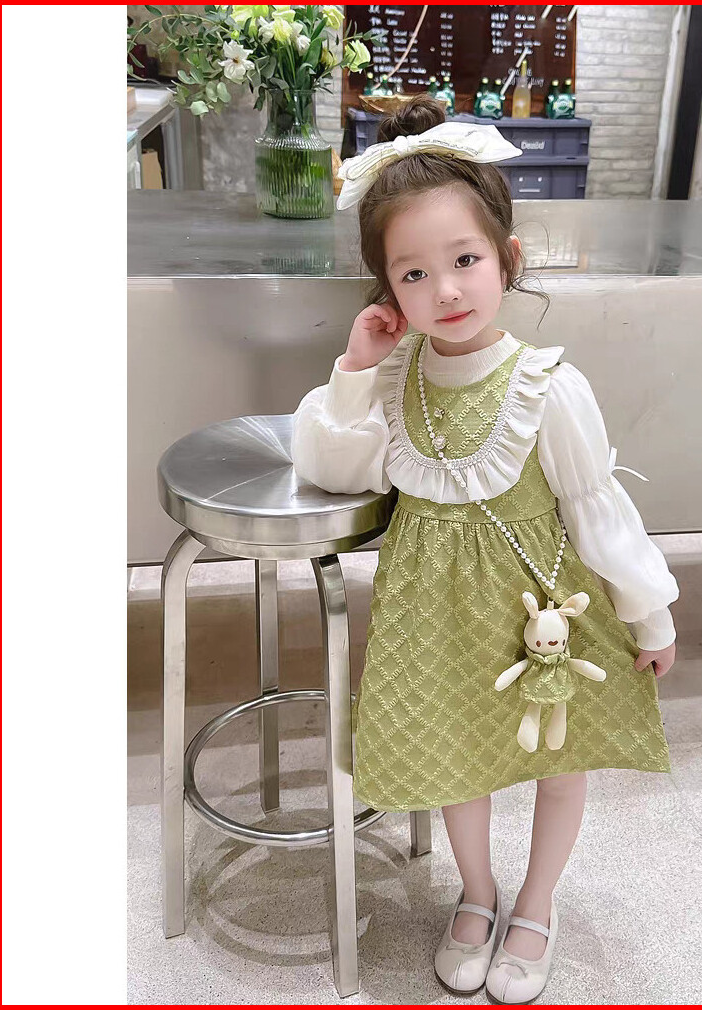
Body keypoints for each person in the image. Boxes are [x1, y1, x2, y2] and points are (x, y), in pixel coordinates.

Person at [291, 95, 679, 1004]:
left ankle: (536, 904)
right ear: (388, 291)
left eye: (464, 260)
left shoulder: (549, 385)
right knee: (457, 756)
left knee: (559, 757)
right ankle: (477, 893)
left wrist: (649, 611)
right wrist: (354, 369)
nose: (447, 292)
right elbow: (333, 468)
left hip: (543, 613)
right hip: (433, 619)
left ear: (506, 258)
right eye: (414, 274)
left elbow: (597, 509)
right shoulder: (394, 379)